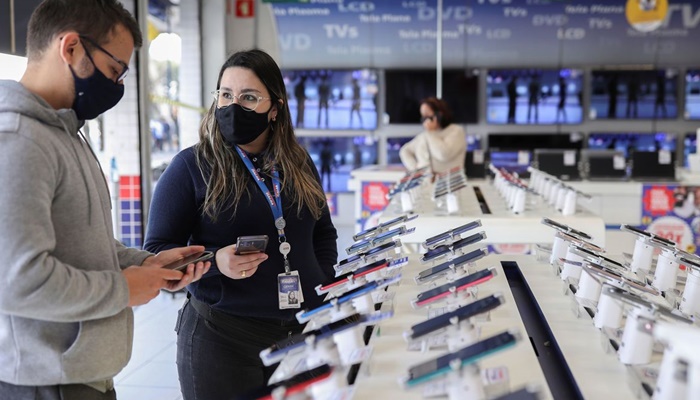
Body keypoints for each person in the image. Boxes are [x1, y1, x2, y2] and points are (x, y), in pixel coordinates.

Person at [0, 1, 211, 399]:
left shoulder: (66, 133)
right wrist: (123, 289)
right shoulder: (17, 139)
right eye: (114, 69)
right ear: (72, 48)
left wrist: (144, 263)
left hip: (82, 377)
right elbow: (17, 282)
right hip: (45, 382)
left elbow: (83, 245)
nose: (116, 85)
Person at [143, 49, 339, 399]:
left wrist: (321, 277)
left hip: (301, 333)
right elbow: (157, 254)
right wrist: (215, 262)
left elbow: (322, 231)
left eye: (249, 97)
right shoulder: (190, 167)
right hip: (222, 340)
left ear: (274, 108)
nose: (234, 106)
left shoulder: (297, 161)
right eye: (226, 95)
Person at [399, 97, 467, 174]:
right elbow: (405, 151)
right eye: (423, 116)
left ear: (439, 114)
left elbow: (443, 155)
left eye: (427, 114)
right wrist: (415, 169)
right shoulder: (424, 135)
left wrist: (431, 133)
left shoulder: (456, 131)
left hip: (449, 183)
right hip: (426, 182)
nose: (425, 119)